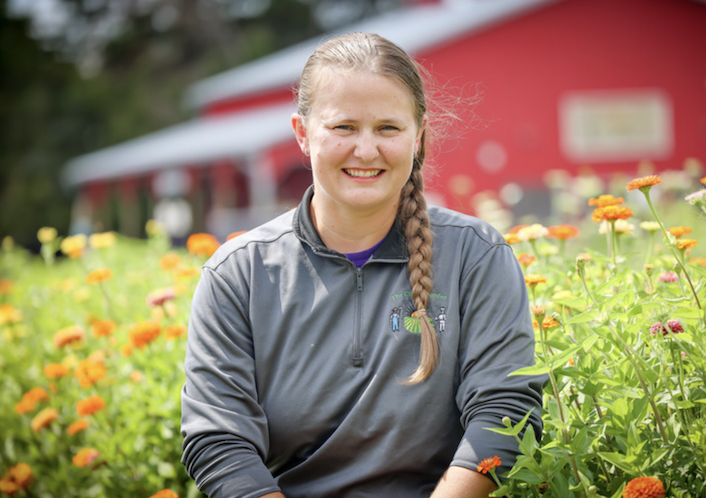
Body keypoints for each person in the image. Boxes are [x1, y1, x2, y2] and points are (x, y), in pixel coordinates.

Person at [181, 32, 544, 498]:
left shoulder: (476, 255)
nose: (367, 151)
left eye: (388, 128)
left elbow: (504, 410)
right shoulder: (237, 275)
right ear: (302, 134)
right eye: (344, 127)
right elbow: (219, 440)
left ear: (419, 136)